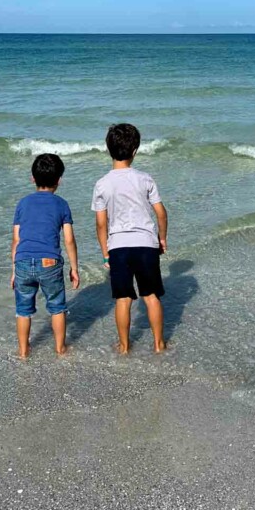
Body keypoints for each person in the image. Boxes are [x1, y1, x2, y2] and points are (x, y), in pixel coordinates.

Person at [92, 123, 169, 355]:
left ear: (108, 149)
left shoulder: (102, 183)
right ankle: (158, 344)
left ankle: (124, 346)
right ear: (135, 150)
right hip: (146, 243)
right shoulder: (145, 179)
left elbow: (101, 223)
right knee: (151, 296)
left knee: (123, 299)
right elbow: (161, 213)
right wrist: (161, 238)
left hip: (118, 246)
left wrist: (106, 251)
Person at [10, 153, 80, 359]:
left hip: (22, 261)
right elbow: (69, 239)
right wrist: (74, 268)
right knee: (57, 307)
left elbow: (16, 240)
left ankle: (23, 351)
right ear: (59, 180)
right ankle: (60, 348)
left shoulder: (22, 204)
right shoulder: (61, 204)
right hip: (50, 262)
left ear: (33, 178)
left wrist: (14, 270)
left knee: (23, 309)